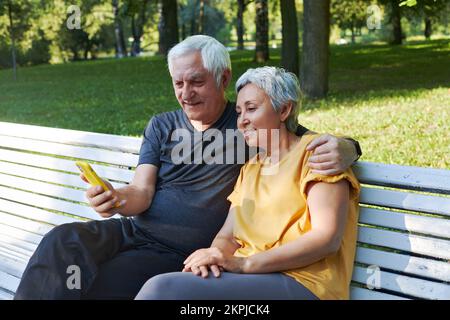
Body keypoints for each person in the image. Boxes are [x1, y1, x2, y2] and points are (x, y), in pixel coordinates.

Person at [14, 36, 361, 300]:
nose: (186, 93)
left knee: (98, 284)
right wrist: (116, 197)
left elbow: (299, 138)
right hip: (135, 231)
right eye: (178, 83)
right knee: (63, 239)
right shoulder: (164, 126)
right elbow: (142, 192)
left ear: (223, 78)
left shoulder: (250, 130)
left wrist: (349, 147)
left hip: (180, 252)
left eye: (196, 82)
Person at [135, 67, 360, 300]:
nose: (242, 121)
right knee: (171, 286)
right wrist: (213, 257)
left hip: (303, 283)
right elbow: (228, 236)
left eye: (251, 109)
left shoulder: (316, 154)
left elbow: (326, 239)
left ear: (284, 109)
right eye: (239, 112)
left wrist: (244, 264)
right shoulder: (251, 167)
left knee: (162, 290)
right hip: (250, 278)